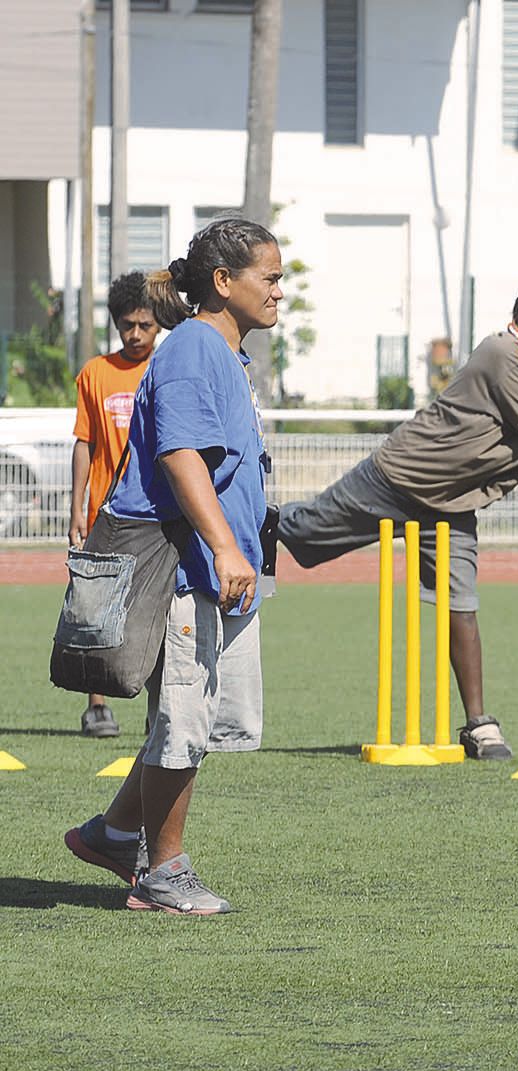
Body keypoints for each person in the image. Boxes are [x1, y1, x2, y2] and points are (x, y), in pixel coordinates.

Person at [278, 264, 518, 761]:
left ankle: (479, 724)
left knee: (460, 605)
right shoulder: (501, 352)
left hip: (452, 503)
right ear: (517, 320)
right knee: (304, 532)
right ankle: (246, 521)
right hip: (399, 478)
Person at [63, 218, 282, 914]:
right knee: (184, 721)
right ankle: (163, 873)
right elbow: (179, 454)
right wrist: (222, 546)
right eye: (270, 278)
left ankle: (115, 831)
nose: (282, 291)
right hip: (189, 571)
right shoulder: (192, 348)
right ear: (224, 282)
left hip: (218, 570)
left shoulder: (223, 352)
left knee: (195, 721)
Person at [68, 271, 159, 738]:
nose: (137, 334)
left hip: (159, 515)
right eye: (128, 325)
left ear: (158, 324)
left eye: (145, 325)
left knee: (157, 608)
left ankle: (157, 707)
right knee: (96, 610)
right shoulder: (95, 373)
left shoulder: (167, 369)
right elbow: (83, 443)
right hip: (107, 512)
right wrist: (76, 511)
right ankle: (97, 705)